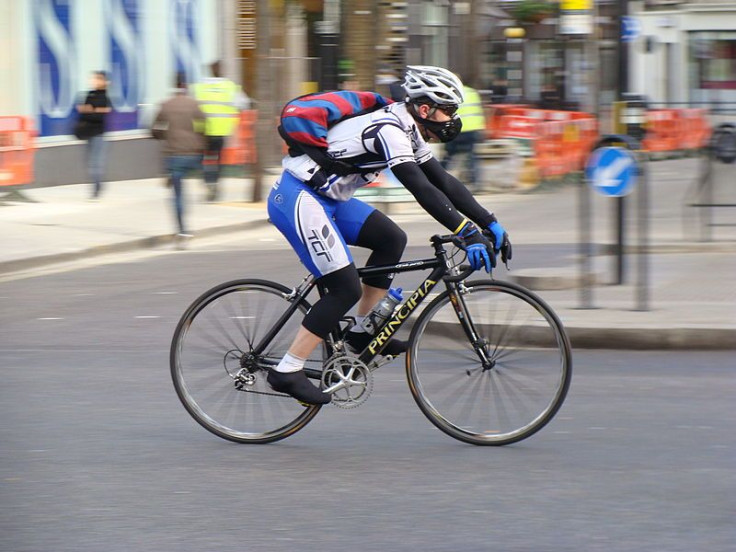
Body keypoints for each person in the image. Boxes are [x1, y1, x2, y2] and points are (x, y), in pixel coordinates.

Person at [266, 65, 512, 405]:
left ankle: (359, 335)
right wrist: (464, 232)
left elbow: (443, 181)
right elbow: (419, 186)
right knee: (345, 287)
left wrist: (489, 222)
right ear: (425, 108)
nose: (452, 119)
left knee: (390, 239)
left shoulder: (409, 128)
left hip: (330, 200)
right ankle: (288, 369)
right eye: (449, 111)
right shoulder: (390, 128)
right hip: (298, 198)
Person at [152, 72, 206, 247]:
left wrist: (163, 135)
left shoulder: (166, 105)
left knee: (178, 194)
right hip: (192, 152)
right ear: (186, 85)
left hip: (173, 153)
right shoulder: (193, 104)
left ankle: (182, 231)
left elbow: (154, 128)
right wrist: (198, 139)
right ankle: (205, 181)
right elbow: (204, 124)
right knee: (191, 176)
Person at [192, 61, 250, 202]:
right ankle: (214, 183)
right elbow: (244, 104)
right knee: (217, 159)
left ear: (209, 70)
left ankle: (207, 181)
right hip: (221, 130)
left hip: (202, 131)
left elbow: (190, 106)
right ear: (222, 70)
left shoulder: (199, 87)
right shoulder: (230, 87)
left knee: (202, 158)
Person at [440, 76, 486, 192]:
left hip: (457, 130)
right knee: (472, 157)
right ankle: (476, 183)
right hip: (473, 130)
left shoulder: (451, 94)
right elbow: (479, 111)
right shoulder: (472, 92)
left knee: (448, 156)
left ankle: (438, 179)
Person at [76, 71, 112, 199]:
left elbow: (100, 115)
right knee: (89, 162)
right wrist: (92, 110)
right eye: (93, 79)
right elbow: (84, 112)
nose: (94, 81)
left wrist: (91, 110)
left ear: (103, 81)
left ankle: (96, 187)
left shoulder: (105, 97)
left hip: (98, 134)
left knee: (96, 162)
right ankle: (96, 185)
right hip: (88, 133)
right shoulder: (90, 95)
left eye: (97, 79)